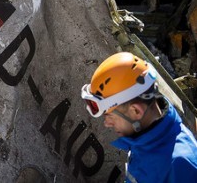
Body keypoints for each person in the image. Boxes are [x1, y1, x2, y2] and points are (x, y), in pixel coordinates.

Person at [81, 51, 197, 182]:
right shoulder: (145, 136)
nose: (107, 123)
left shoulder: (181, 167)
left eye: (110, 116)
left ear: (136, 111)